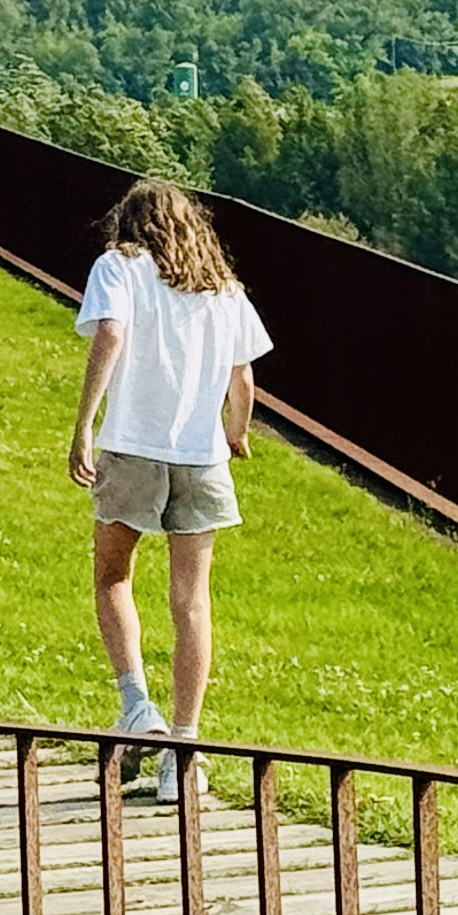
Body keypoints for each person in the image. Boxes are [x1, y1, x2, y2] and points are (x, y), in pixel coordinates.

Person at [68, 176, 271, 805]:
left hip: (132, 444)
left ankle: (136, 705)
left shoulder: (119, 267)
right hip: (201, 454)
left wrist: (83, 425)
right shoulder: (223, 288)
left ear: (128, 223)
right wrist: (234, 434)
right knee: (192, 602)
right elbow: (243, 380)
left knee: (112, 576)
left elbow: (110, 336)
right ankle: (184, 753)